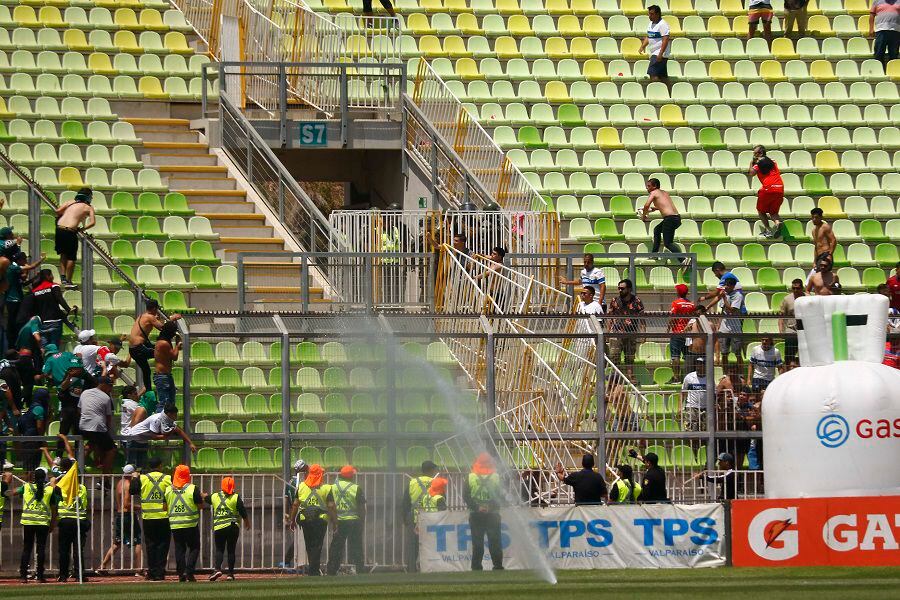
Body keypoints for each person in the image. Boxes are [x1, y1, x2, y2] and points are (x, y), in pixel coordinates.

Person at [16, 467, 60, 582]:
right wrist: (53, 524)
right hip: (43, 523)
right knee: (41, 549)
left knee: (27, 549)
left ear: (34, 477)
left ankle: (23, 576)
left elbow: (13, 492)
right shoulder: (50, 490)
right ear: (45, 477)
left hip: (28, 522)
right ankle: (40, 576)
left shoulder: (26, 487)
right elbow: (54, 508)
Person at [130, 457, 171, 581]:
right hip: (164, 516)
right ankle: (160, 572)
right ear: (160, 465)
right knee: (163, 545)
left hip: (148, 517)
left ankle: (152, 572)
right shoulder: (167, 478)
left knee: (150, 545)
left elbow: (133, 491)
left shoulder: (143, 478)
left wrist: (135, 478)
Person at [287, 463, 331, 577]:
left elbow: (295, 504)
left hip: (305, 519)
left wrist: (291, 520)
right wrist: (335, 521)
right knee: (317, 545)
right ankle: (314, 571)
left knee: (309, 545)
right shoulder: (326, 488)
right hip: (321, 520)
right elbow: (331, 505)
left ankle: (313, 569)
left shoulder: (301, 486)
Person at [99, 464, 143, 576]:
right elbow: (127, 504)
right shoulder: (128, 485)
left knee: (117, 543)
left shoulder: (119, 483)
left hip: (120, 515)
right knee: (138, 541)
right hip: (128, 515)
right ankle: (139, 569)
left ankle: (103, 565)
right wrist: (140, 507)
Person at [128, 299, 180, 391]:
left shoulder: (142, 316)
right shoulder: (150, 317)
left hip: (133, 349)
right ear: (155, 308)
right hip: (139, 348)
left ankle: (148, 391)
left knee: (146, 370)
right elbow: (164, 328)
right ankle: (164, 379)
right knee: (163, 353)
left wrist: (158, 319)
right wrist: (172, 318)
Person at [166, 464, 206, 583]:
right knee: (194, 547)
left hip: (175, 524)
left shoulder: (168, 489)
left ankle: (181, 574)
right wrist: (202, 498)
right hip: (190, 524)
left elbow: (164, 507)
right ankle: (189, 572)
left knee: (179, 549)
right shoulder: (193, 488)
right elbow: (200, 506)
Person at [464, 453, 503, 571]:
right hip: (493, 514)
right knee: (495, 541)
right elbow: (501, 496)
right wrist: (490, 507)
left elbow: (466, 496)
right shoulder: (496, 476)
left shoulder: (470, 477)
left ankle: (476, 567)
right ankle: (497, 566)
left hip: (476, 514)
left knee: (477, 542)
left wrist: (477, 508)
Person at [326, 465, 366, 576]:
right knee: (356, 546)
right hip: (354, 521)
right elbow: (361, 508)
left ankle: (332, 570)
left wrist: (335, 522)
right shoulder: (356, 488)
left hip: (340, 521)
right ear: (351, 476)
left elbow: (330, 505)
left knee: (336, 547)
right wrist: (362, 522)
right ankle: (360, 570)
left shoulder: (332, 488)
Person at [209, 476, 250, 582]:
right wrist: (247, 523)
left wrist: (203, 495)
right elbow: (242, 511)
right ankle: (230, 574)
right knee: (231, 550)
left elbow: (205, 498)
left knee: (219, 549)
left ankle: (217, 569)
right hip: (232, 527)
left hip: (219, 527)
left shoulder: (214, 496)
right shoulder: (236, 497)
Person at [56, 457, 90, 582]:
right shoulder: (82, 487)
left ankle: (63, 575)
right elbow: (85, 504)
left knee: (64, 549)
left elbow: (56, 500)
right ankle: (79, 574)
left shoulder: (60, 485)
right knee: (78, 550)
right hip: (79, 520)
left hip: (65, 519)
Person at [54, 187, 95, 288]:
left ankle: (63, 277)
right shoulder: (88, 207)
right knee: (71, 257)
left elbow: (58, 211)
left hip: (59, 228)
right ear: (89, 197)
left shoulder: (70, 202)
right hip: (70, 231)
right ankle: (68, 280)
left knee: (63, 254)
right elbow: (92, 222)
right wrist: (81, 229)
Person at [402, 460, 438, 572]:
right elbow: (442, 501)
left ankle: (411, 569)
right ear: (431, 470)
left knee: (413, 546)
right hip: (432, 518)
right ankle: (430, 568)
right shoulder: (436, 482)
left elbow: (405, 502)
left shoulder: (412, 482)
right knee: (431, 545)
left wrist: (405, 518)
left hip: (415, 518)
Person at [24, 269, 73, 349]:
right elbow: (59, 299)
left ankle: (46, 361)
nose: (53, 277)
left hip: (43, 324)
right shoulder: (53, 286)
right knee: (54, 348)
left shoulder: (35, 291)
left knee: (45, 349)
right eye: (51, 275)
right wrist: (68, 309)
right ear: (48, 276)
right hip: (55, 321)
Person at [78, 375, 117, 477]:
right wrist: (108, 431)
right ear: (104, 385)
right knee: (111, 450)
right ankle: (104, 476)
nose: (111, 389)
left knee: (91, 444)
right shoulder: (106, 397)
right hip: (97, 427)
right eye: (110, 386)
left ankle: (77, 469)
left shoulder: (85, 392)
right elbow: (108, 418)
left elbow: (79, 409)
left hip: (83, 426)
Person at [607, 279, 645, 377]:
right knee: (615, 356)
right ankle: (616, 378)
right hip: (616, 333)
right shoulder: (614, 300)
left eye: (622, 288)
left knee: (630, 357)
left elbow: (642, 318)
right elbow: (610, 317)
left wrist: (643, 333)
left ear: (629, 289)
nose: (620, 290)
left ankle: (630, 377)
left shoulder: (637, 301)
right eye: (618, 288)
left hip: (631, 333)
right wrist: (608, 332)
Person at [128, 403, 197, 454]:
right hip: (134, 437)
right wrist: (166, 436)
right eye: (175, 415)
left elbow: (178, 430)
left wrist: (190, 443)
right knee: (131, 464)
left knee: (141, 464)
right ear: (169, 414)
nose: (176, 416)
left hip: (143, 440)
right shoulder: (156, 419)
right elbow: (153, 436)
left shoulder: (168, 419)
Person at [749, 146, 785, 239]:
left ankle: (768, 230)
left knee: (761, 211)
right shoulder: (773, 161)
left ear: (760, 153)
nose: (754, 155)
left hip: (768, 188)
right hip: (780, 188)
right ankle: (777, 223)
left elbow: (751, 173)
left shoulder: (757, 164)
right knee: (773, 212)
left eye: (755, 153)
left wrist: (751, 163)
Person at [642, 178, 683, 259]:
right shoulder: (664, 192)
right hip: (676, 218)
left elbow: (646, 205)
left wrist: (644, 216)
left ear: (655, 186)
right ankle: (654, 254)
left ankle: (683, 259)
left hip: (670, 219)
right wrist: (656, 208)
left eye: (649, 186)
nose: (647, 188)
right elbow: (666, 206)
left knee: (668, 243)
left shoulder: (653, 193)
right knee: (657, 230)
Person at [5, 251, 43, 338]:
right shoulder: (13, 267)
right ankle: (12, 340)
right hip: (12, 300)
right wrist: (41, 259)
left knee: (18, 321)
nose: (26, 261)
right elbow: (32, 267)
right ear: (19, 260)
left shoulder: (16, 270)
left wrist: (35, 277)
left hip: (17, 299)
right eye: (25, 259)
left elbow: (24, 282)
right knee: (13, 321)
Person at [718, 274, 746, 374]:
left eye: (729, 285)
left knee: (738, 353)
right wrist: (718, 326)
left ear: (733, 286)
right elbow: (723, 311)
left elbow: (731, 311)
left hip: (735, 329)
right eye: (726, 284)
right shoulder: (724, 295)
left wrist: (725, 298)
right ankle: (725, 374)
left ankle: (741, 374)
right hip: (724, 329)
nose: (726, 287)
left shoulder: (738, 296)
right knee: (724, 353)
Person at [669, 284, 695, 381]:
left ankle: (676, 377)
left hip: (677, 332)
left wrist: (668, 329)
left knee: (675, 356)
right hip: (688, 333)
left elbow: (672, 317)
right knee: (687, 356)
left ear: (678, 292)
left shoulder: (676, 303)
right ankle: (688, 378)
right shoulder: (691, 304)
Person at [153, 321, 181, 412]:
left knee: (170, 403)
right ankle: (160, 424)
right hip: (162, 377)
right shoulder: (163, 343)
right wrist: (177, 345)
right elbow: (174, 356)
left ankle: (167, 423)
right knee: (164, 403)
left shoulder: (164, 342)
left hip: (166, 376)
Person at [640, 6, 671, 83]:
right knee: (662, 76)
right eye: (649, 14)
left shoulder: (662, 24)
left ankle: (657, 91)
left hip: (659, 53)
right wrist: (643, 46)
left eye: (652, 14)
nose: (649, 16)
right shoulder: (651, 24)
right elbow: (649, 36)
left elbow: (665, 39)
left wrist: (660, 53)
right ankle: (669, 93)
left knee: (653, 74)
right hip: (655, 52)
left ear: (657, 14)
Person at [779, 278, 805, 364]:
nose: (795, 290)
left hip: (805, 330)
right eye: (793, 288)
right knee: (789, 356)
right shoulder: (787, 299)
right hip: (791, 330)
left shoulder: (808, 298)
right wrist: (781, 331)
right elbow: (781, 316)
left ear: (802, 288)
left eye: (797, 288)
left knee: (805, 356)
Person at [870, 0, 900, 66]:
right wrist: (871, 28)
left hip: (895, 31)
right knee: (879, 53)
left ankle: (892, 71)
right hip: (881, 30)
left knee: (894, 54)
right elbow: (872, 15)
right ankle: (879, 71)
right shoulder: (877, 1)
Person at [681, 357, 708, 431]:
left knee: (705, 430)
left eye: (701, 364)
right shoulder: (689, 377)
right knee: (691, 430)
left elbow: (714, 393)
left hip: (705, 408)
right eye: (698, 364)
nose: (699, 366)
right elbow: (683, 392)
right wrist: (679, 408)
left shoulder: (709, 378)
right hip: (692, 407)